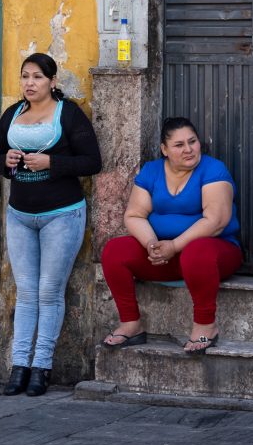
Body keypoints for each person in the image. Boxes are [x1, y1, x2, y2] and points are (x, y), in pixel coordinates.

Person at [0, 52, 101, 396]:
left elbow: (92, 161)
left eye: (37, 77)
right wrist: (5, 161)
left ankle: (42, 368)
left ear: (53, 81)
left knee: (49, 292)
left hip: (62, 215)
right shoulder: (12, 115)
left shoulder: (69, 115)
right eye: (24, 77)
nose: (29, 83)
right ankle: (19, 366)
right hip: (20, 215)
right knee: (26, 293)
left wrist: (52, 162)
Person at [101, 117, 242, 354]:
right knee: (115, 251)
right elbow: (134, 215)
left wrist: (174, 245)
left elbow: (216, 221)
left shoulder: (213, 169)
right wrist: (151, 244)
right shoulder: (152, 171)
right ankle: (131, 323)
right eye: (179, 145)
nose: (188, 149)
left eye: (192, 142)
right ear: (164, 150)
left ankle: (206, 326)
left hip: (213, 256)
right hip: (166, 258)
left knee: (196, 252)